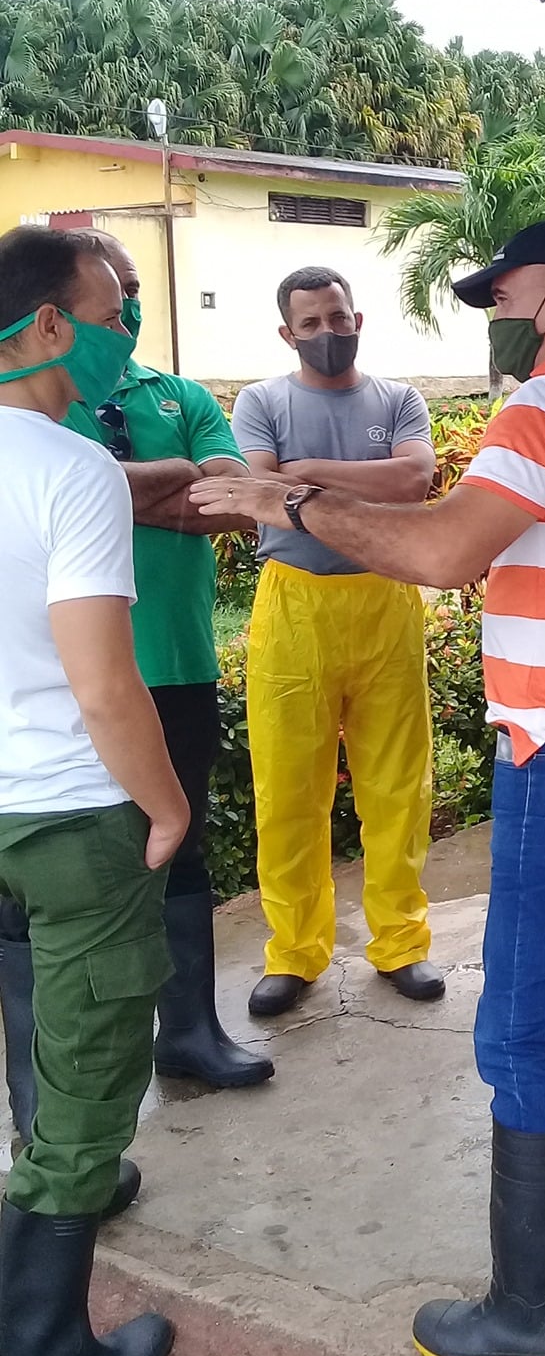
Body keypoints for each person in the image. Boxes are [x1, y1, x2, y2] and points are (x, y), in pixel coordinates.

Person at [192, 218, 545, 1356]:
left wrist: (285, 505)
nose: (507, 315)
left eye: (514, 294)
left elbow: (441, 550)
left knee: (529, 1030)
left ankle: (529, 1314)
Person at [0, 225, 187, 1356]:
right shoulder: (65, 469)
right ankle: (41, 1353)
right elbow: (106, 684)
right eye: (112, 306)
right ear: (52, 326)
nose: (125, 329)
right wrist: (166, 802)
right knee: (89, 1062)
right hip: (66, 809)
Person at [59, 233, 269, 1088]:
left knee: (181, 843)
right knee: (79, 854)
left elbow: (235, 497)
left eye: (136, 289)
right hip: (74, 671)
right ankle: (79, 1078)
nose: (130, 308)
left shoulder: (178, 392)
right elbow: (76, 485)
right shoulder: (41, 400)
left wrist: (123, 484)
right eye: (115, 295)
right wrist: (170, 480)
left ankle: (189, 1034)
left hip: (178, 662)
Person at [232, 267, 440, 1016]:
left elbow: (416, 480)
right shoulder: (261, 401)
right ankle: (294, 952)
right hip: (294, 605)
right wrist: (343, 487)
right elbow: (262, 495)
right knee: (288, 790)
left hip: (385, 597)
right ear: (288, 334)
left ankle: (401, 942)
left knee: (398, 788)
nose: (328, 333)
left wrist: (307, 474)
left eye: (337, 318)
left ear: (359, 318)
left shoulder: (398, 398)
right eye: (310, 324)